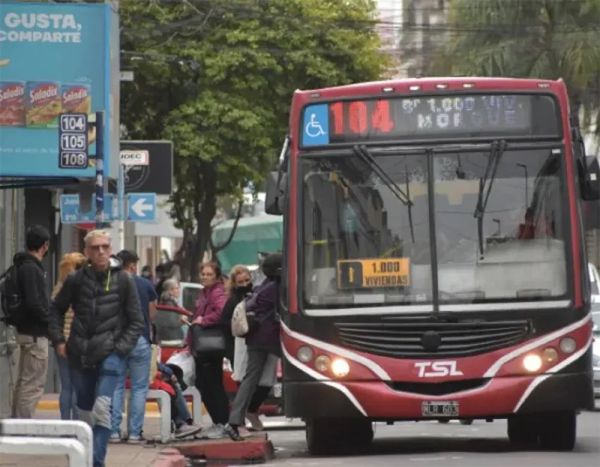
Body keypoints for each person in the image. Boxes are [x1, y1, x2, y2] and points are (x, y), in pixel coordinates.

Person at [49, 230, 144, 467]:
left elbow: (136, 321)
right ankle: (85, 458)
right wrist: (60, 341)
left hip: (111, 354)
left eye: (104, 247)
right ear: (87, 252)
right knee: (85, 413)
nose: (100, 252)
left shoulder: (124, 279)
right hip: (80, 354)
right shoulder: (76, 279)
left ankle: (94, 462)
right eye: (95, 248)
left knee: (102, 409)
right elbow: (55, 310)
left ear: (110, 249)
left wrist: (120, 349)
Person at [224, 253, 282, 441]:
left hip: (257, 339)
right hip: (267, 339)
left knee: (251, 379)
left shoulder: (265, 285)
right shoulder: (275, 287)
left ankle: (236, 419)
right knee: (251, 380)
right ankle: (236, 421)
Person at [110, 250, 158, 443]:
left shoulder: (110, 283)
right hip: (139, 339)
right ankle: (135, 434)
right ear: (132, 266)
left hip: (116, 340)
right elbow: (152, 315)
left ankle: (113, 432)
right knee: (139, 388)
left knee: (116, 386)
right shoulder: (145, 284)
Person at [10, 225, 51, 419]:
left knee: (23, 382)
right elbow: (35, 303)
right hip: (35, 335)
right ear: (45, 246)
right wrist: (50, 322)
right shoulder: (32, 268)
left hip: (23, 333)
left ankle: (17, 425)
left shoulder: (21, 266)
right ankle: (23, 427)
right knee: (32, 384)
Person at [185, 261, 229, 439]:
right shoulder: (204, 293)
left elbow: (221, 312)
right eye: (203, 274)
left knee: (213, 386)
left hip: (210, 347)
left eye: (209, 274)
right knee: (204, 385)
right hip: (201, 347)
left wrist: (203, 321)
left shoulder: (217, 292)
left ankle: (223, 423)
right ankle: (218, 422)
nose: (205, 277)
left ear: (217, 277)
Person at [52, 252, 86, 420]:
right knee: (77, 385)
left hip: (60, 342)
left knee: (66, 386)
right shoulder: (80, 288)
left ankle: (64, 421)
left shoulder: (58, 288)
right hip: (76, 341)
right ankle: (76, 423)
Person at [220, 265, 253, 366]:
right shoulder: (233, 302)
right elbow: (225, 323)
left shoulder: (255, 295)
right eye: (240, 282)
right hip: (237, 348)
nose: (245, 284)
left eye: (247, 280)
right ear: (234, 284)